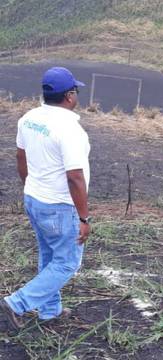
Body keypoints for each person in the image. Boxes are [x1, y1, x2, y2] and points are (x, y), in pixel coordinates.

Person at [0, 67, 91, 331]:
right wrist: (84, 217)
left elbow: (21, 157)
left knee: (50, 256)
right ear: (70, 95)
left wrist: (31, 186)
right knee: (67, 263)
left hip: (34, 199)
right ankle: (17, 303)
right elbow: (75, 176)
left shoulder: (28, 118)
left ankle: (50, 311)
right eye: (76, 91)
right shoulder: (70, 129)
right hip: (60, 206)